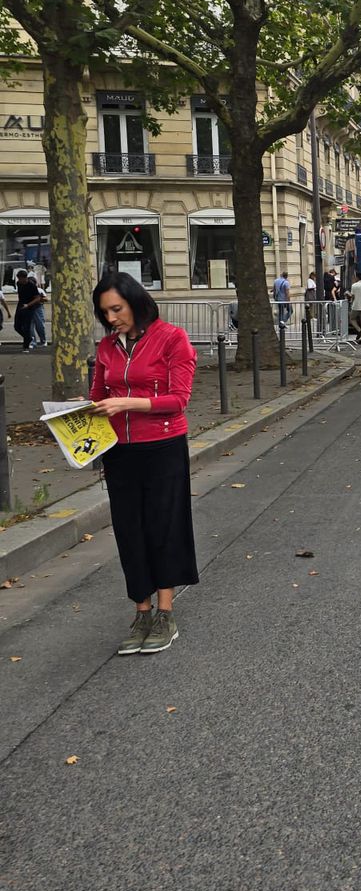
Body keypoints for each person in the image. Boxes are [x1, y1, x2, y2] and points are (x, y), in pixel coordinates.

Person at [88, 273, 199, 656]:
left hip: (162, 446)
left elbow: (178, 399)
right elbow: (98, 396)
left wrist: (127, 403)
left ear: (136, 301)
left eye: (117, 308)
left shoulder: (172, 338)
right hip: (120, 449)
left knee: (162, 525)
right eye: (105, 312)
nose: (112, 317)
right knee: (128, 530)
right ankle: (141, 610)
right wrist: (80, 411)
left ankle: (165, 611)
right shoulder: (106, 348)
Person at [13, 269, 45, 351]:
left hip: (30, 307)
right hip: (20, 305)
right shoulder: (18, 284)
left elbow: (38, 298)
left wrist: (28, 305)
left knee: (27, 326)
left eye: (21, 279)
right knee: (17, 326)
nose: (19, 280)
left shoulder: (32, 286)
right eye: (18, 279)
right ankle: (29, 338)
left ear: (25, 278)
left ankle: (26, 346)